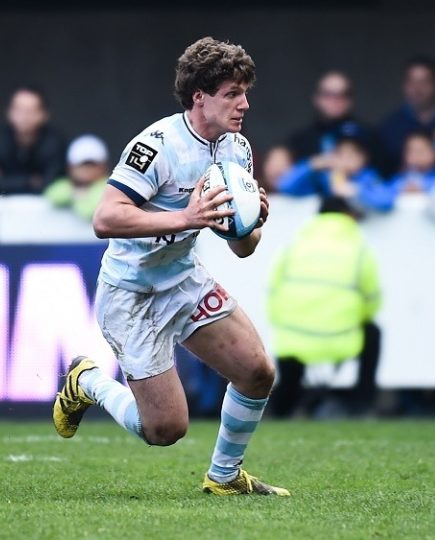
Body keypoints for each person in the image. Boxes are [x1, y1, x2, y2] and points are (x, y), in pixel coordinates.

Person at [52, 37, 289, 498]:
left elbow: (243, 248)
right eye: (232, 94)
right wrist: (185, 217)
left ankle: (224, 477)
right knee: (164, 429)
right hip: (131, 293)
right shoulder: (157, 145)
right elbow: (105, 218)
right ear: (200, 96)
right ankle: (88, 380)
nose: (244, 103)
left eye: (245, 92)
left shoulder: (236, 149)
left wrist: (251, 221)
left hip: (181, 278)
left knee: (257, 370)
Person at [267, 197, 381, 418]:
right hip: (342, 338)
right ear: (348, 215)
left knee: (290, 349)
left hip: (293, 339)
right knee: (373, 332)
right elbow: (372, 301)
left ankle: (283, 408)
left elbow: (273, 292)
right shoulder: (359, 249)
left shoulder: (293, 246)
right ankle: (362, 404)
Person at [277, 136, 395, 213]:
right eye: (340, 154)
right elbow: (285, 186)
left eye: (351, 155)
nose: (345, 160)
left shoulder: (369, 178)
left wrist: (357, 191)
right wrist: (311, 165)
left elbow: (387, 200)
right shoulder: (325, 179)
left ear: (362, 158)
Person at [0, 86, 66, 195]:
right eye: (19, 110)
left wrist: (4, 181)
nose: (24, 116)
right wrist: (30, 181)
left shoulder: (55, 143)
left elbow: (53, 186)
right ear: (9, 112)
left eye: (31, 111)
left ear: (44, 114)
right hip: (2, 205)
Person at [285, 71, 377, 162]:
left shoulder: (366, 137)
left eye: (343, 95)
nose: (335, 101)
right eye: (328, 95)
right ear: (316, 98)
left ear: (350, 100)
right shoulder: (300, 141)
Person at [43, 134, 110, 221]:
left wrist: (78, 197)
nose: (87, 169)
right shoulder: (66, 184)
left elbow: (89, 211)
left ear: (103, 167)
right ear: (70, 167)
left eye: (92, 164)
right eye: (82, 164)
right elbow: (53, 196)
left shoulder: (110, 186)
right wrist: (75, 193)